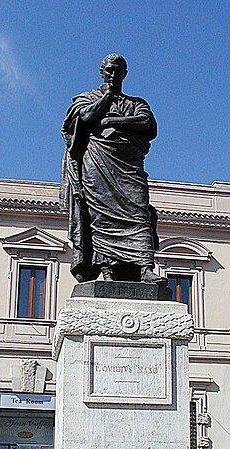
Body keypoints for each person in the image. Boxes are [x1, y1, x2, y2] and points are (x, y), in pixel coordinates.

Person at [60, 53, 166, 284]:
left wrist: (111, 121)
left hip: (129, 169)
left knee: (140, 213)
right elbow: (86, 117)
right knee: (100, 217)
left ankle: (145, 268)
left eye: (118, 70)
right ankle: (106, 271)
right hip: (98, 165)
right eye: (109, 70)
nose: (113, 74)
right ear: (101, 72)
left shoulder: (137, 103)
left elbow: (146, 123)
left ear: (125, 74)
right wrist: (107, 96)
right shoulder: (86, 98)